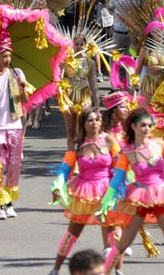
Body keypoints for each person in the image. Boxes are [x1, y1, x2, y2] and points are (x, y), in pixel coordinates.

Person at [99, 108, 164, 275]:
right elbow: (117, 179)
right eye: (143, 125)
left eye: (149, 125)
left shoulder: (160, 144)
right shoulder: (126, 152)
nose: (147, 129)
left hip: (162, 195)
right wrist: (106, 202)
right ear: (133, 126)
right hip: (140, 198)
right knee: (123, 244)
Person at [48, 109, 124, 275]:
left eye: (97, 119)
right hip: (84, 192)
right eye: (90, 120)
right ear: (83, 124)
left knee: (114, 234)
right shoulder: (77, 145)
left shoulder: (109, 139)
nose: (95, 123)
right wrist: (58, 186)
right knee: (72, 232)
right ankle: (56, 269)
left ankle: (118, 271)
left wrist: (120, 187)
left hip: (107, 192)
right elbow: (64, 169)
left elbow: (121, 165)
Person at [0, 36, 31, 218]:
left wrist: (22, 87)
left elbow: (26, 101)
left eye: (9, 56)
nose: (8, 60)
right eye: (4, 56)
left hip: (14, 126)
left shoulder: (17, 73)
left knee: (13, 165)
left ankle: (8, 202)